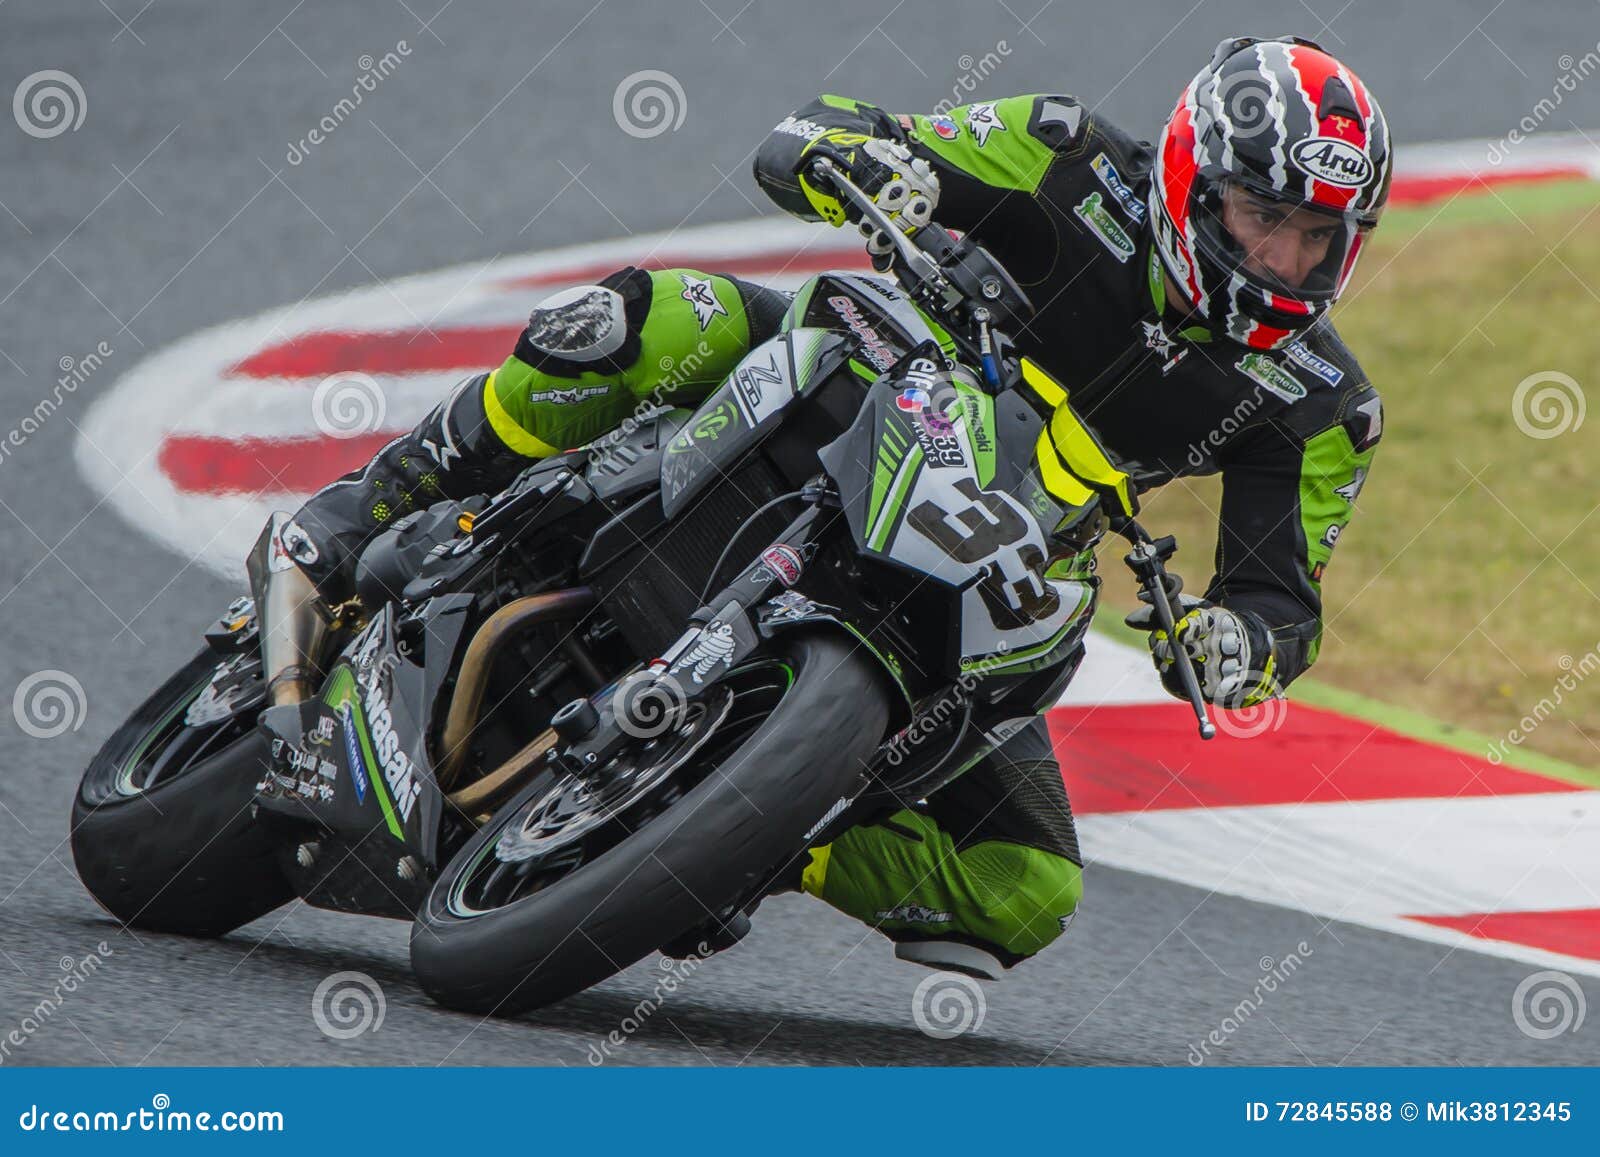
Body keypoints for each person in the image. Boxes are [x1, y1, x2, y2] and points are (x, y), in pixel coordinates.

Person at [254, 35, 1389, 980]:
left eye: (1316, 238)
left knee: (1023, 889)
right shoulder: (1067, 157)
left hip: (990, 550)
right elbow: (832, 129)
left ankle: (741, 831)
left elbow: (1277, 597)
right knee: (645, 321)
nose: (1284, 258)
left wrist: (1238, 643)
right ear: (1192, 177)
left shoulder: (1320, 403)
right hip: (857, 375)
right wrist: (862, 163)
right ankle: (377, 500)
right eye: (1261, 217)